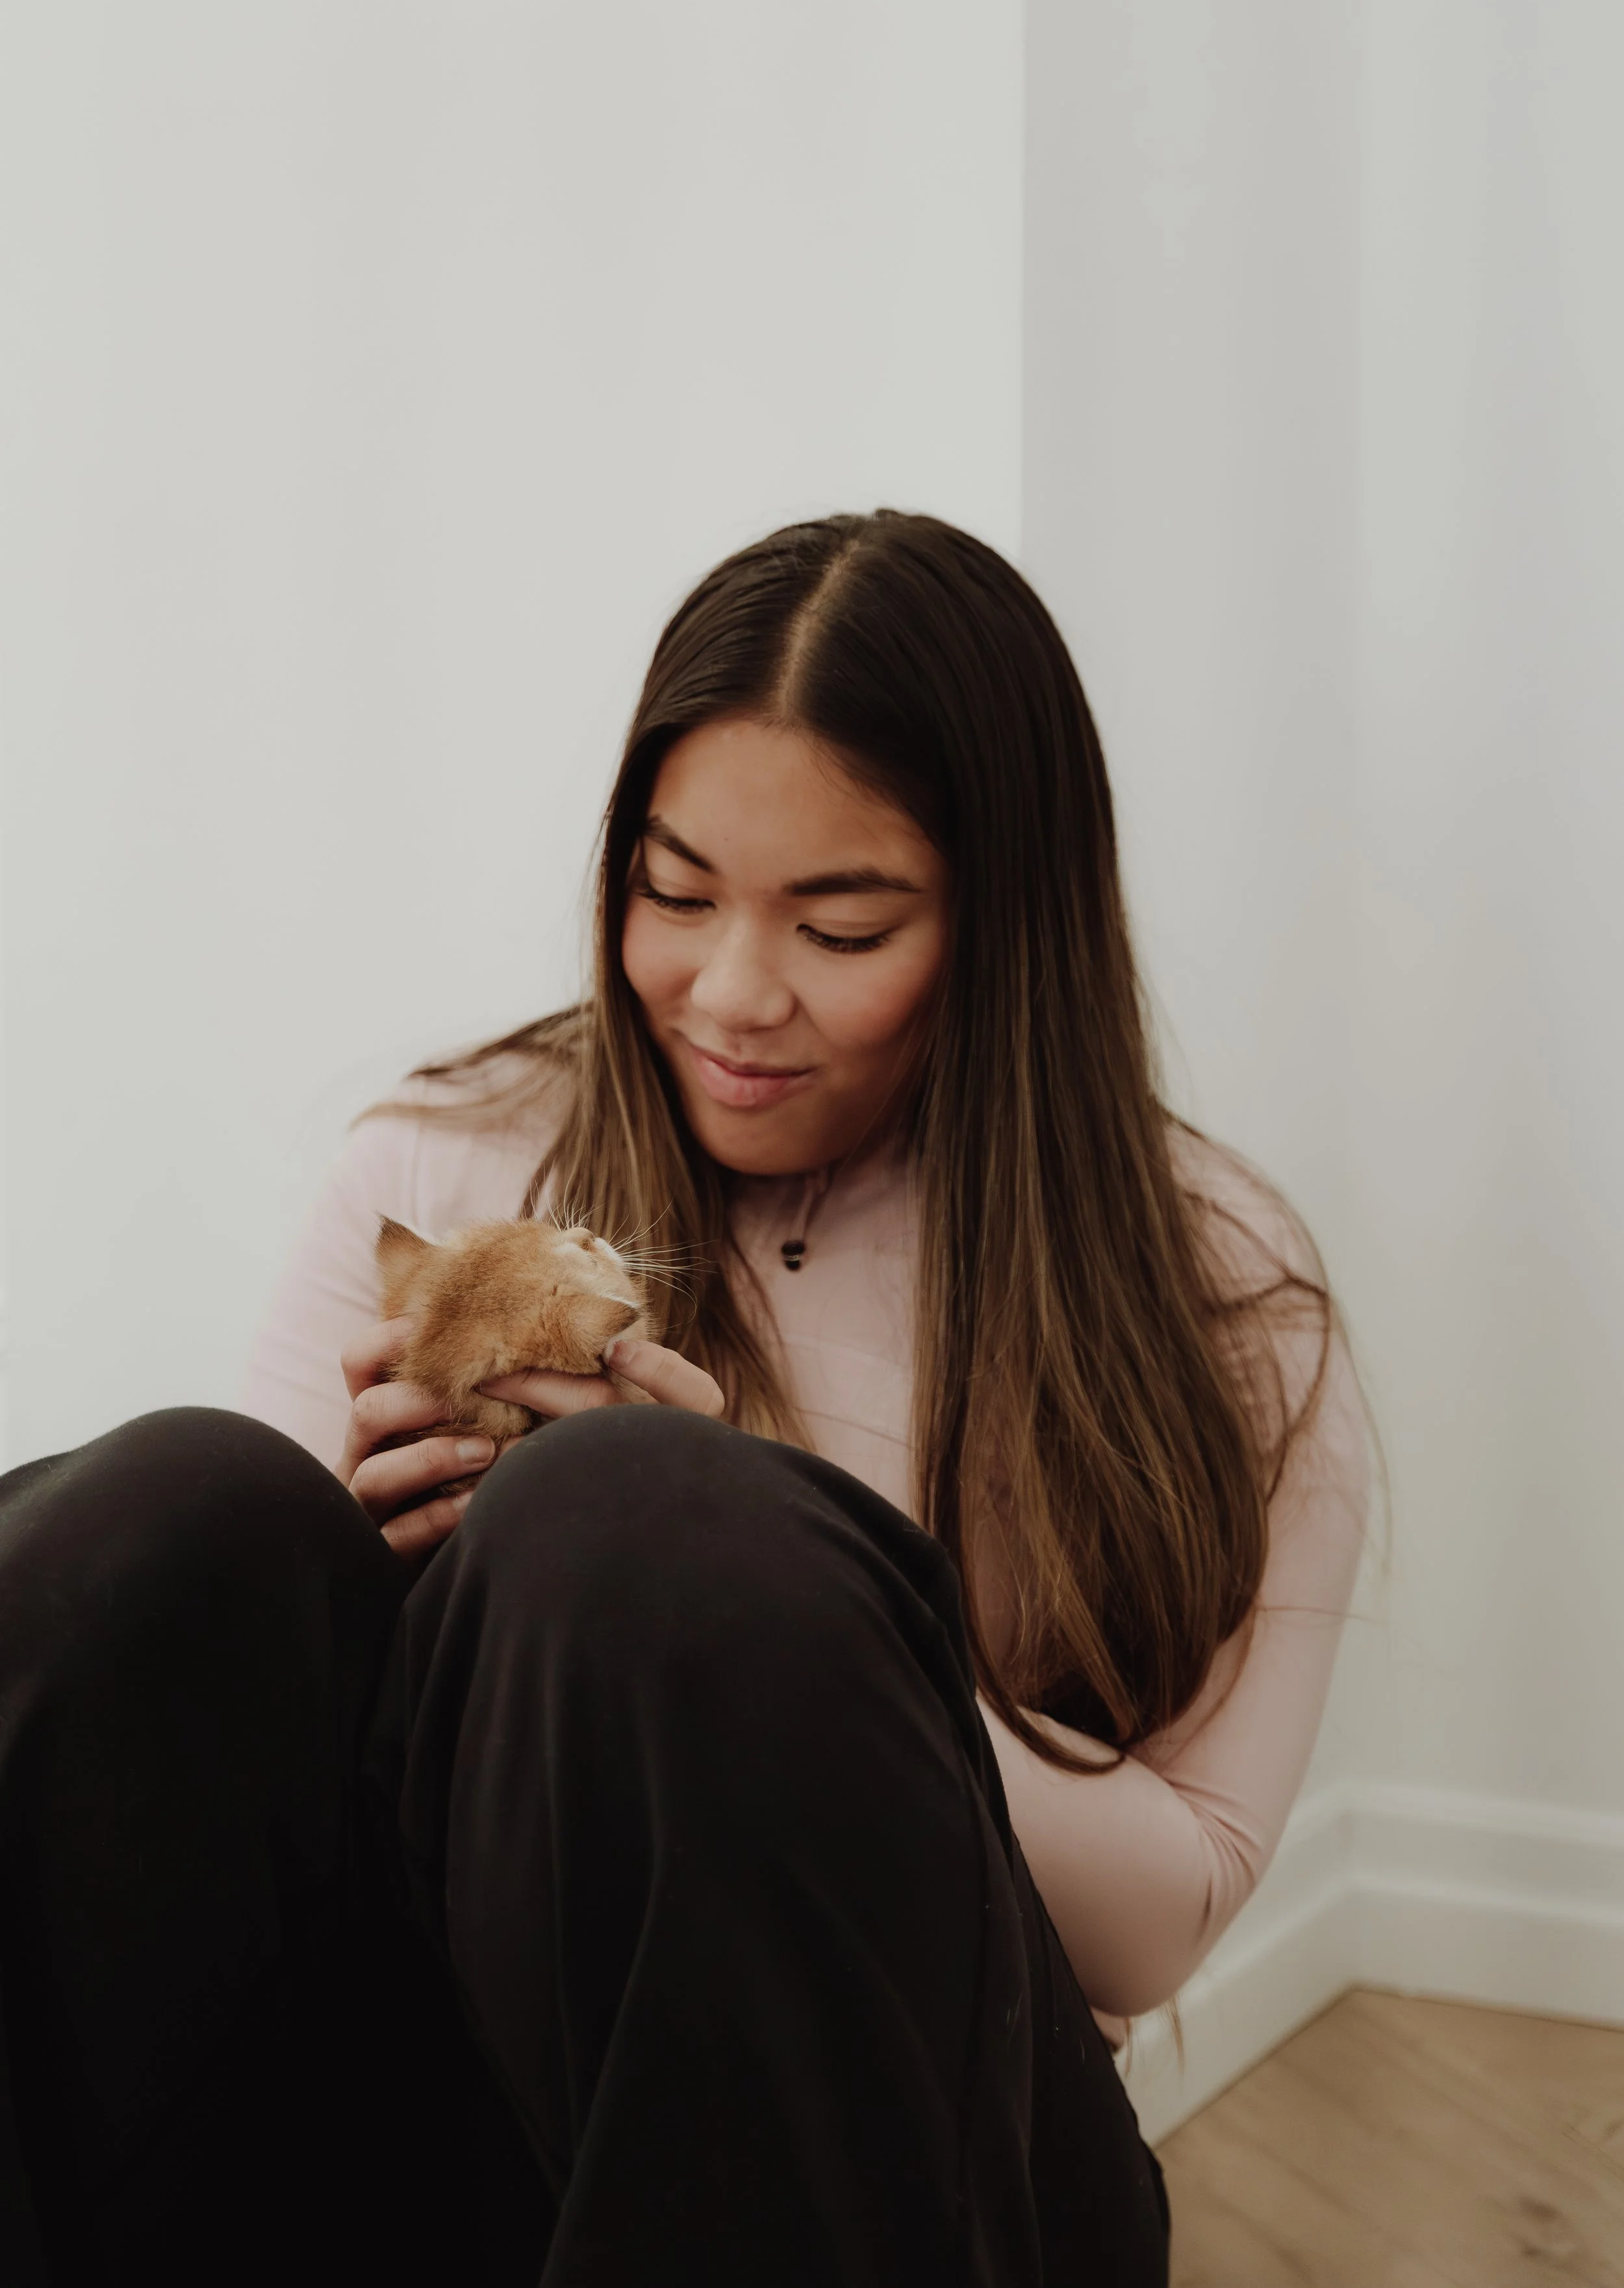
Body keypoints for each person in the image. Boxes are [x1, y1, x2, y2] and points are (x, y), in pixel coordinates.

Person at [0, 511, 1368, 2286]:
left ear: (1003, 922)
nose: (729, 994)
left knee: (643, 1523)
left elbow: (1160, 1920)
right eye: (672, 891)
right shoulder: (444, 1157)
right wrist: (367, 1592)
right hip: (423, 2121)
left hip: (920, 2145)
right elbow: (210, 1724)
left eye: (842, 920)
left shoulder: (1211, 1289)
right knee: (178, 1514)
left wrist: (767, 1540)